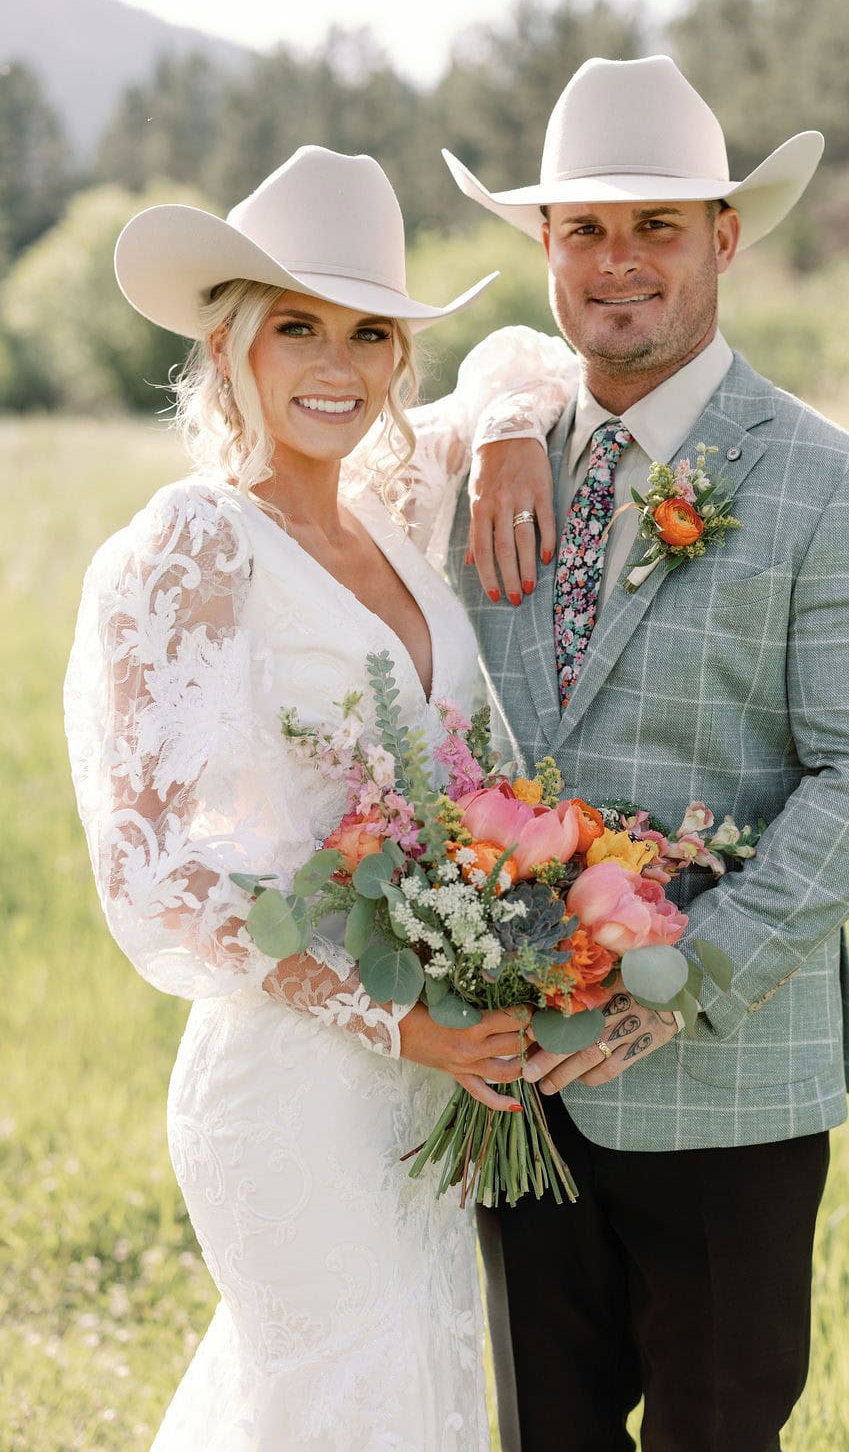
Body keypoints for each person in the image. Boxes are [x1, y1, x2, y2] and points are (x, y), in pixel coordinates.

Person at [445, 56, 849, 1451]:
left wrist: (685, 983)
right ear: (546, 250)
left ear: (725, 238)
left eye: (656, 225)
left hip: (729, 1081)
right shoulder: (488, 466)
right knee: (541, 1431)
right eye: (584, 230)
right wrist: (500, 416)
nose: (618, 261)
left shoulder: (839, 486)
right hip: (513, 1084)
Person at [64, 145, 572, 1451]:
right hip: (296, 1080)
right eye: (298, 327)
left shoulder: (388, 510)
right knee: (338, 1401)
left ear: (399, 358)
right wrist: (401, 1020)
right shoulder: (194, 543)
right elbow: (154, 870)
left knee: (410, 1394)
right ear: (228, 343)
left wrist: (506, 435)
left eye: (370, 332)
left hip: (424, 1082)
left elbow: (526, 352)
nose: (338, 364)